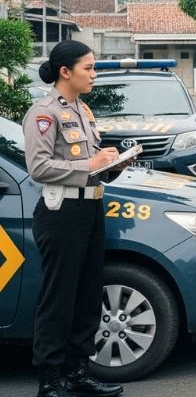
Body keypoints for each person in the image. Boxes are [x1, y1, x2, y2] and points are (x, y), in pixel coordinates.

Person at [24, 41, 132, 397]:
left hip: (90, 207)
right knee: (59, 297)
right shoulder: (44, 112)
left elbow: (92, 169)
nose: (94, 74)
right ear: (65, 72)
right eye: (88, 68)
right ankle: (50, 380)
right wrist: (90, 164)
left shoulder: (83, 110)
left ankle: (78, 372)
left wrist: (112, 165)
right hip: (61, 214)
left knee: (87, 295)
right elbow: (39, 168)